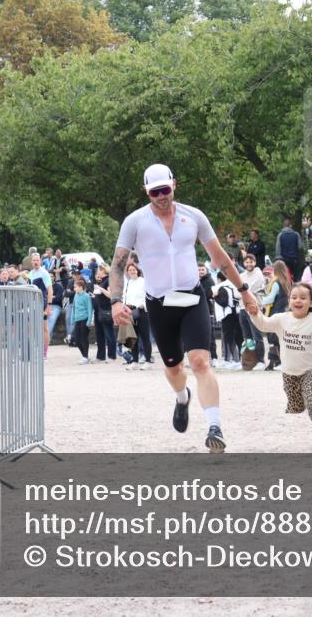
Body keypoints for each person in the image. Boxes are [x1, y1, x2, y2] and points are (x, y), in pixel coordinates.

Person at [111, 164, 257, 453]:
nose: (161, 196)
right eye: (154, 192)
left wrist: (244, 290)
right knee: (174, 367)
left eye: (165, 189)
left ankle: (214, 427)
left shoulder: (194, 216)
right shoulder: (134, 221)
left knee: (200, 362)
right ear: (146, 192)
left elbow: (220, 258)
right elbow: (117, 265)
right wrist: (116, 301)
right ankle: (182, 397)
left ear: (174, 185)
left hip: (192, 299)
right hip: (159, 304)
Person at [247, 283, 312, 450]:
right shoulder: (281, 319)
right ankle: (309, 405)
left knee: (311, 400)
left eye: (303, 298)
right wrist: (255, 313)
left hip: (310, 370)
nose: (298, 300)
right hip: (289, 372)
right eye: (294, 297)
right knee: (297, 405)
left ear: (311, 302)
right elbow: (263, 324)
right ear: (289, 301)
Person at [260, 260, 292, 370]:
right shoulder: (287, 282)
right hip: (285, 312)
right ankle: (273, 363)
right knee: (280, 338)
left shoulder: (276, 283)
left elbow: (270, 299)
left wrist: (259, 301)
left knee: (274, 339)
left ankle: (279, 362)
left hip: (275, 312)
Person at [123, 263, 153, 369]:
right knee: (132, 337)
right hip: (130, 312)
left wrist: (143, 304)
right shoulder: (128, 283)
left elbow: (149, 295)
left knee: (145, 337)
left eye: (134, 269)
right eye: (130, 270)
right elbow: (125, 297)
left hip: (141, 311)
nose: (132, 271)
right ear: (127, 272)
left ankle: (148, 361)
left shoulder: (143, 281)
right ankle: (135, 361)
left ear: (137, 270)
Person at [212, 272, 242, 367]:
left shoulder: (221, 288)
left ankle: (235, 360)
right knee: (235, 337)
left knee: (229, 337)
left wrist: (215, 297)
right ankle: (231, 359)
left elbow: (224, 302)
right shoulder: (232, 286)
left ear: (219, 279)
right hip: (234, 313)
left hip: (227, 315)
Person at [29, 253, 54, 360]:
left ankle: (44, 352)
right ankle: (33, 350)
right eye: (34, 260)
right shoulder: (30, 273)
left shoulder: (44, 273)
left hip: (42, 302)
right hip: (31, 303)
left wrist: (49, 306)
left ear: (40, 261)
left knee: (44, 328)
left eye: (37, 260)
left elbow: (50, 290)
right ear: (31, 261)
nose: (36, 262)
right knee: (31, 327)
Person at [91, 265, 117, 363]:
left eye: (99, 270)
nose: (97, 272)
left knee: (109, 333)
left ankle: (112, 356)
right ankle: (100, 356)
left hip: (106, 310)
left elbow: (111, 295)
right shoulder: (101, 281)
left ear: (103, 271)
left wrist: (100, 289)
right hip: (98, 310)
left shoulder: (109, 280)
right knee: (99, 334)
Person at [70, 280, 94, 364]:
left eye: (75, 287)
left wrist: (89, 321)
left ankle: (85, 357)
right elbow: (74, 307)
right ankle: (84, 356)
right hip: (77, 320)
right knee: (76, 339)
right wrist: (72, 318)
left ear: (81, 287)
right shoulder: (76, 295)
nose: (74, 288)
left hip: (84, 319)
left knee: (84, 339)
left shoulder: (86, 296)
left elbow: (90, 309)